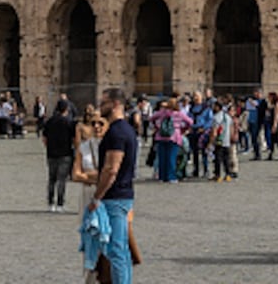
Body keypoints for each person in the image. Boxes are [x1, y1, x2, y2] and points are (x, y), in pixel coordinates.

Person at [90, 89, 137, 284]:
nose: (100, 106)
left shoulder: (117, 133)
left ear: (116, 104)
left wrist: (97, 196)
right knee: (121, 250)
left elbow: (111, 169)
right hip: (122, 195)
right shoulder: (126, 129)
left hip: (115, 197)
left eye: (104, 102)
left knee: (115, 250)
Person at [72, 108, 107, 283]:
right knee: (88, 236)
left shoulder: (111, 147)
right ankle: (89, 277)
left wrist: (88, 176)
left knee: (106, 237)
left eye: (101, 123)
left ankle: (105, 276)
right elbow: (75, 175)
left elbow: (112, 173)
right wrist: (96, 176)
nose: (97, 126)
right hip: (87, 195)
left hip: (106, 195)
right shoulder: (84, 147)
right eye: (94, 123)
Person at [42, 101, 76, 212]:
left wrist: (50, 147)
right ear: (66, 109)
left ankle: (50, 203)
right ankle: (60, 204)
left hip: (51, 153)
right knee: (62, 180)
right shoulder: (69, 122)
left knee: (52, 179)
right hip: (65, 153)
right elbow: (74, 139)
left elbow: (44, 138)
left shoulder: (50, 121)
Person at [148, 100, 191, 183]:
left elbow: (151, 118)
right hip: (174, 136)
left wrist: (157, 127)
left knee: (162, 158)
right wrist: (183, 129)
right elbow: (190, 121)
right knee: (172, 158)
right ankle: (171, 177)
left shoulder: (161, 113)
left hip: (161, 136)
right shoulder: (179, 114)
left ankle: (162, 176)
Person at [210, 99, 235, 181]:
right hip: (227, 140)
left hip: (219, 141)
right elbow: (231, 128)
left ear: (217, 107)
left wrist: (211, 142)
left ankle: (218, 175)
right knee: (226, 159)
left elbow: (214, 131)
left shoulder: (216, 117)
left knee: (218, 159)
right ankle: (228, 175)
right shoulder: (228, 116)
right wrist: (231, 138)